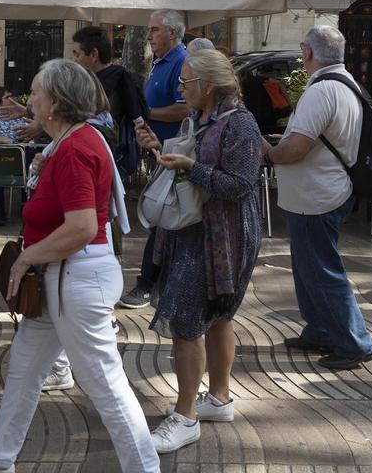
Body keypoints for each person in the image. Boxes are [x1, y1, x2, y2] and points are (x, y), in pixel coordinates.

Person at [0, 59, 159, 473]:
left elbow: (80, 227)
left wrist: (26, 256)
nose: (31, 99)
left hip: (73, 280)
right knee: (25, 371)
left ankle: (146, 469)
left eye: (36, 92)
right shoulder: (72, 141)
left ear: (55, 104)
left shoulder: (75, 148)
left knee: (107, 387)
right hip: (63, 280)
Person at [134, 50, 262, 451]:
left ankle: (185, 415)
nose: (180, 88)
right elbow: (191, 164)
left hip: (224, 235)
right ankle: (220, 398)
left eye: (186, 82)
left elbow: (240, 184)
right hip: (197, 231)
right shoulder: (201, 118)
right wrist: (159, 149)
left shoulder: (240, 123)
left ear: (208, 85)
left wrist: (191, 168)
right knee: (218, 316)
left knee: (190, 322)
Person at [262, 26, 372, 371]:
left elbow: (297, 147)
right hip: (322, 191)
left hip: (317, 195)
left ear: (309, 53)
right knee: (309, 268)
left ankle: (355, 342)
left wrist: (269, 153)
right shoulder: (344, 84)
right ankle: (322, 330)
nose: (301, 56)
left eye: (302, 51)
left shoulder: (322, 90)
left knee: (322, 270)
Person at [120, 9, 190, 310]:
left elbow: (184, 109)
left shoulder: (181, 62)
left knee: (163, 220)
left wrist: (143, 116)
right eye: (147, 30)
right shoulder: (160, 62)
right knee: (166, 221)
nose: (148, 36)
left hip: (175, 155)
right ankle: (165, 281)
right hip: (160, 153)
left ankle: (148, 284)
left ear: (172, 33)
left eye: (154, 30)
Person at [71, 26, 149, 181]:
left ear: (93, 54)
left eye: (77, 54)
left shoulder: (112, 83)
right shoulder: (101, 80)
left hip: (105, 162)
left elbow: (82, 118)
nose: (74, 60)